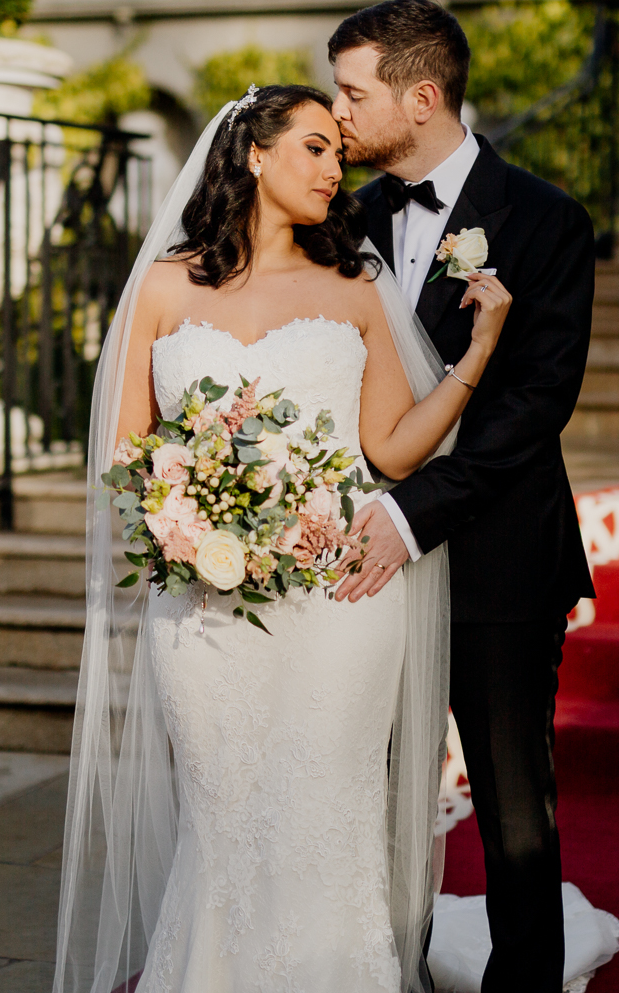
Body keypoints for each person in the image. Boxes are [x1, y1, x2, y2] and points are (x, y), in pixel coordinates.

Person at [54, 82, 512, 993]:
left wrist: (476, 356)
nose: (334, 165)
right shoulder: (161, 285)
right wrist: (179, 520)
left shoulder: (355, 284)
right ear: (254, 155)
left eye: (338, 151)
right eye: (313, 146)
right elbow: (125, 454)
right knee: (224, 815)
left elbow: (388, 447)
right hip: (202, 603)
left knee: (326, 809)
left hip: (338, 595)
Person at [333, 0, 598, 993]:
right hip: (364, 562)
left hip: (500, 555)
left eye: (354, 93)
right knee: (374, 785)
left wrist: (410, 515)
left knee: (512, 803)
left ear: (422, 96)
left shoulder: (547, 220)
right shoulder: (341, 219)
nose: (338, 113)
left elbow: (532, 408)